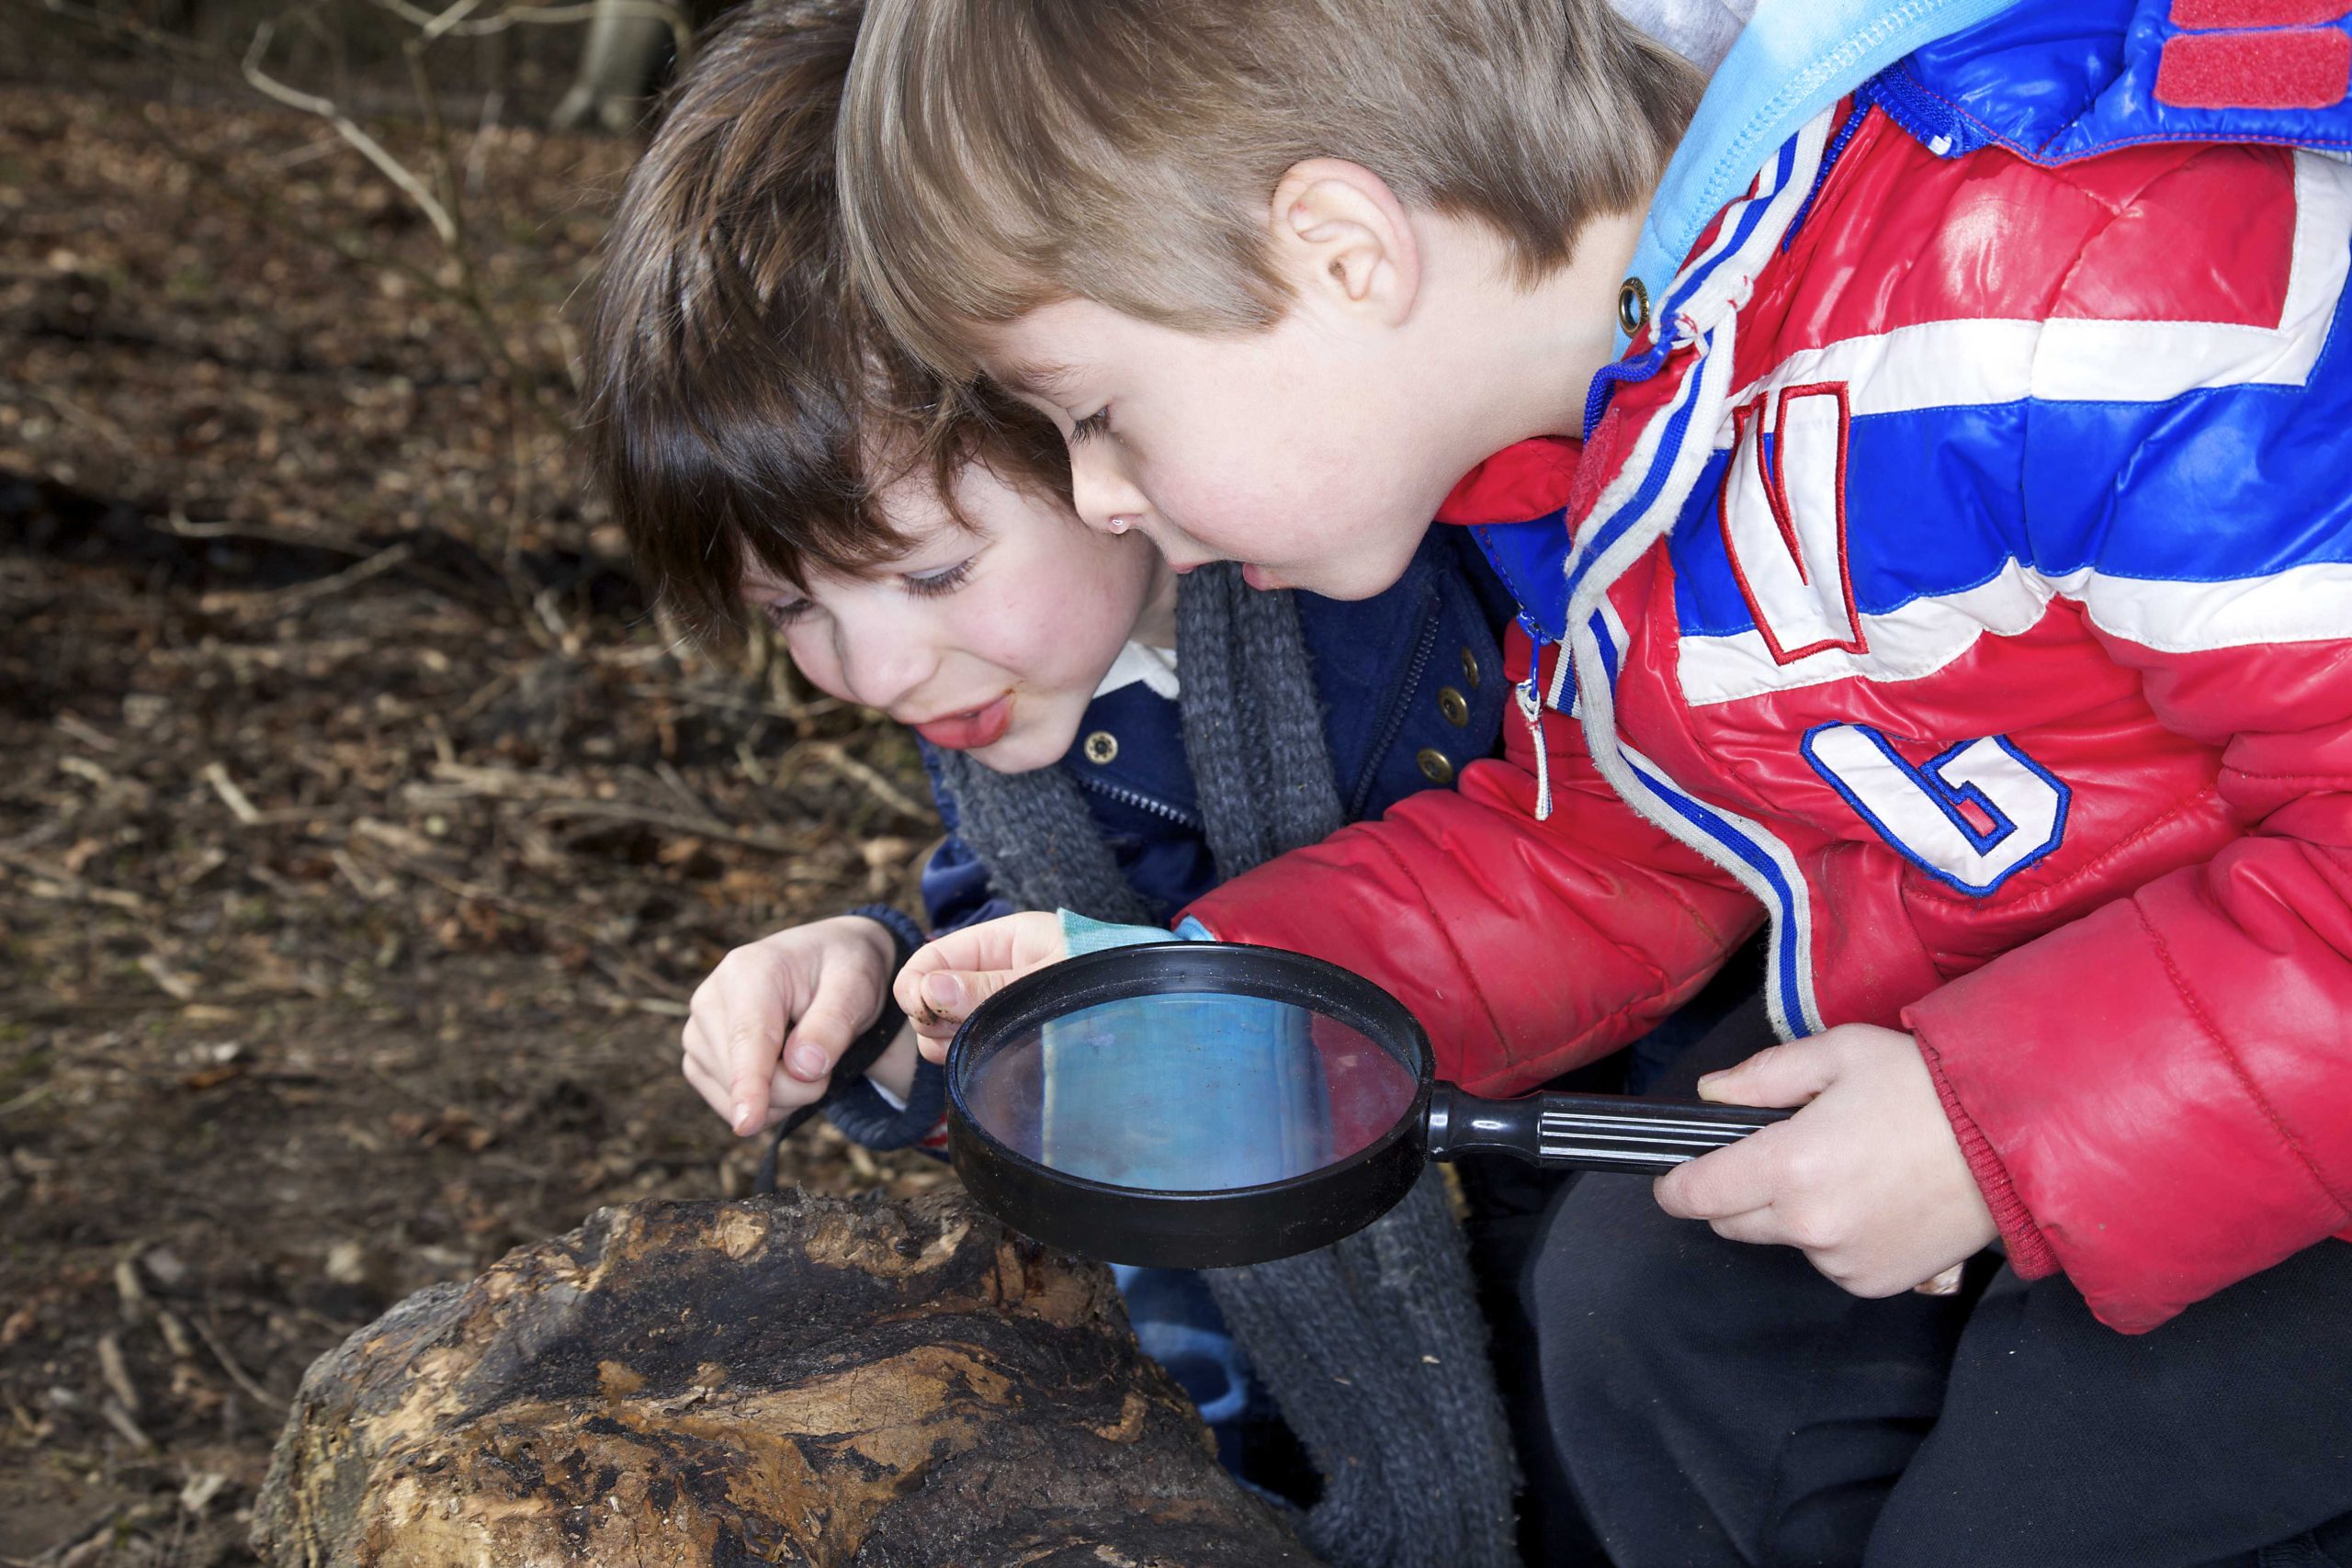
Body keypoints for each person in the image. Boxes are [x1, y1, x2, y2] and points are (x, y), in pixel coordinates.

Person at [839, 1, 2352, 1562]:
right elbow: (1610, 853)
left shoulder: (2076, 285)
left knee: (2041, 1501)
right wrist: (1225, 996)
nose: (1097, 496)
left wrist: (1997, 1129)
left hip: (2278, 1118)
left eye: (1095, 414)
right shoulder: (1626, 461)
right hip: (2095, 1059)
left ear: (1342, 250)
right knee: (1646, 1309)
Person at [577, 6, 1532, 1562]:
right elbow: (1087, 1070)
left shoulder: (1407, 601)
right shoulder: (1034, 726)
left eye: (936, 571)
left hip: (1562, 1294)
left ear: (1086, 408)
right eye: (793, 611)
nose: (875, 672)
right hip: (1257, 1369)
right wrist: (883, 991)